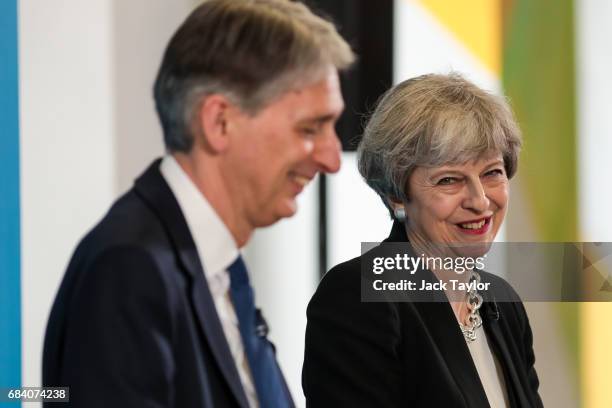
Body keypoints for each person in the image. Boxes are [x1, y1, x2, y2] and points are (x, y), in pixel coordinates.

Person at [43, 1, 354, 406]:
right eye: (311, 128)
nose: (332, 158)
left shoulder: (219, 266)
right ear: (219, 123)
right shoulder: (129, 270)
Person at [303, 73, 543, 407]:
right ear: (397, 195)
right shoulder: (358, 295)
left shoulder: (502, 300)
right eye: (449, 180)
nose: (480, 200)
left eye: (492, 173)